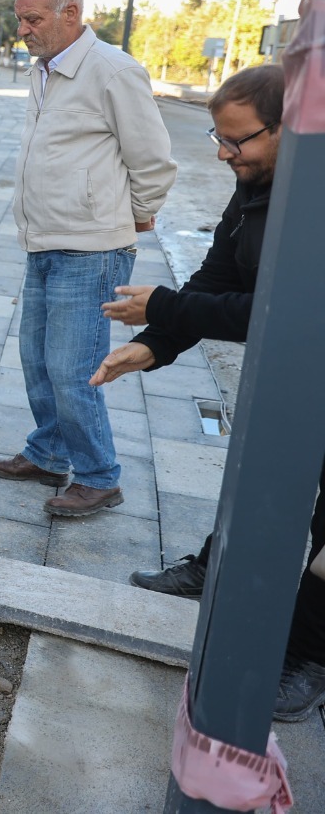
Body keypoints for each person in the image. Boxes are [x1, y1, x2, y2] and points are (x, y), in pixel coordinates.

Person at [91, 66, 325, 721]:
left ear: (287, 129)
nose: (223, 153)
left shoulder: (316, 193)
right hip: (289, 378)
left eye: (238, 140)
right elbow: (217, 276)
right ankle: (216, 568)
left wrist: (163, 305)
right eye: (219, 139)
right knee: (259, 481)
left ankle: (308, 660)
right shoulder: (253, 183)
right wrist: (157, 342)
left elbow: (280, 309)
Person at [0, 0, 176, 517]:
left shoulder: (112, 70)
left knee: (73, 368)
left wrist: (131, 217)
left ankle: (99, 477)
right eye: (20, 19)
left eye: (33, 19)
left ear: (71, 13)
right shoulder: (45, 70)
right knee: (37, 360)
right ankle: (48, 453)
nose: (22, 29)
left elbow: (154, 160)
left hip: (90, 249)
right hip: (44, 240)